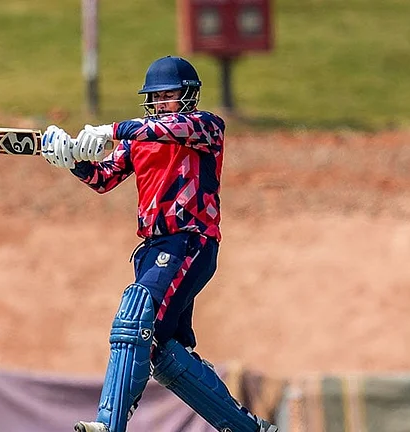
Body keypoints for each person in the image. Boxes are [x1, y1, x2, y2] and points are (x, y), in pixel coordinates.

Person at [41, 55, 278, 432]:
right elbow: (103, 179)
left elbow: (170, 128)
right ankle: (248, 429)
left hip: (189, 241)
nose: (162, 102)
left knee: (134, 317)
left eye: (170, 94)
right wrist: (71, 159)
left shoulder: (205, 127)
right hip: (152, 248)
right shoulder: (140, 138)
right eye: (156, 96)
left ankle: (109, 422)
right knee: (163, 353)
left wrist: (111, 129)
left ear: (189, 95)